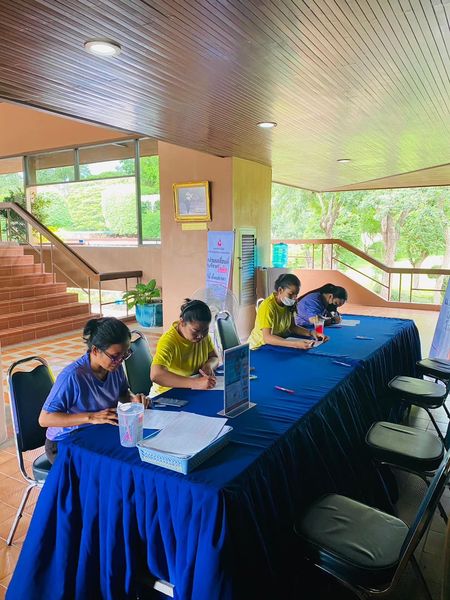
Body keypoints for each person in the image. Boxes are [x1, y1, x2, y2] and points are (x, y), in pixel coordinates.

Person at [39, 317, 148, 464]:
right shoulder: (73, 376)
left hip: (97, 431)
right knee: (110, 467)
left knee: (134, 453)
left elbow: (123, 392)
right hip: (65, 442)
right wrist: (91, 417)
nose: (120, 360)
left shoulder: (113, 366)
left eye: (124, 355)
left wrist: (133, 400)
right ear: (96, 350)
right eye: (115, 356)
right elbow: (45, 418)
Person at [150, 299, 219, 398]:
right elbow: (156, 375)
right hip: (167, 394)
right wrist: (195, 383)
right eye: (195, 331)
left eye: (205, 330)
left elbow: (214, 357)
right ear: (182, 322)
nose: (200, 336)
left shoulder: (203, 336)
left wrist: (208, 366)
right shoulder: (169, 341)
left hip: (192, 391)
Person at [248, 273, 323, 350]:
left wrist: (311, 333)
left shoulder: (288, 304)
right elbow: (267, 338)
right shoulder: (267, 306)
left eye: (296, 295)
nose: (294, 298)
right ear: (280, 290)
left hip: (277, 342)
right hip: (260, 347)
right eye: (290, 294)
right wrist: (295, 344)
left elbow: (292, 327)